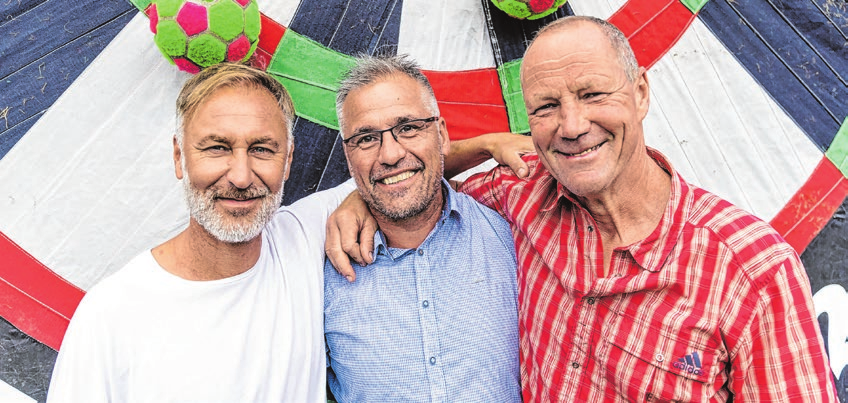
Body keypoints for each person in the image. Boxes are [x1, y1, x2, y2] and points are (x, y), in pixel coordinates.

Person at [326, 16, 838, 402]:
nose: (571, 125)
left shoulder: (751, 269)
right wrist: (368, 192)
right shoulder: (521, 194)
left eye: (592, 94)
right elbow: (416, 188)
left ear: (640, 92)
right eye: (547, 107)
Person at [47, 63, 355, 402]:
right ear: (179, 157)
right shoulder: (110, 315)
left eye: (262, 149)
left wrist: (359, 198)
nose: (240, 176)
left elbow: (397, 174)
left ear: (288, 160)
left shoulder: (303, 238)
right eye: (217, 148)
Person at [323, 55, 522, 402]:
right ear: (347, 154)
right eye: (367, 138)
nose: (390, 154)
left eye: (409, 128)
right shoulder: (315, 268)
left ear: (442, 134)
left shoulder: (516, 234)